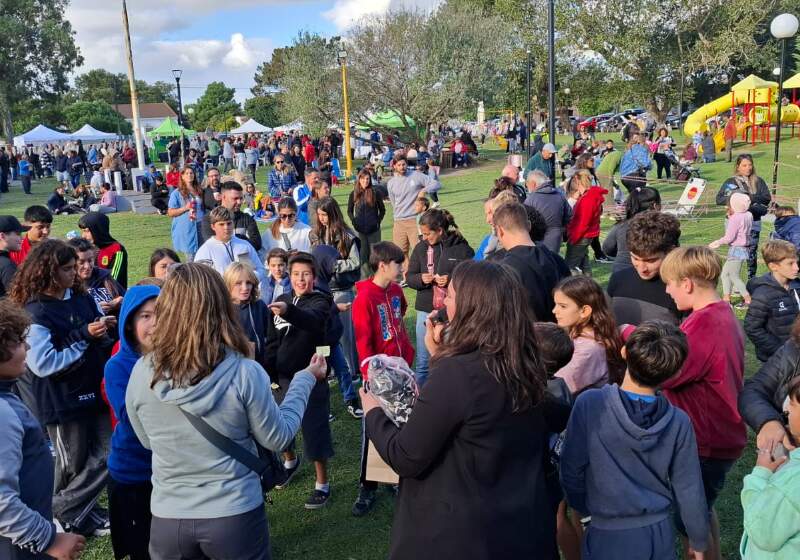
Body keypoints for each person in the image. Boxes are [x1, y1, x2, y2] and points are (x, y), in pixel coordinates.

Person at [361, 259, 570, 560]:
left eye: (450, 295)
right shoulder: (520, 361)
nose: (443, 302)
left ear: (472, 307)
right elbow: (480, 410)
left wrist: (373, 411)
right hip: (520, 527)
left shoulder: (460, 372)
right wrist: (442, 358)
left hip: (464, 533)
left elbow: (406, 456)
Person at [125, 263, 325, 559]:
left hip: (169, 518)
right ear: (221, 307)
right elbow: (278, 438)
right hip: (233, 515)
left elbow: (147, 440)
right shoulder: (245, 372)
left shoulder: (142, 372)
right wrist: (304, 380)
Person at [560, 320, 709, 560]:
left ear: (624, 352)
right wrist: (698, 540)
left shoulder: (590, 404)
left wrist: (584, 508)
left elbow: (571, 469)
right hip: (658, 535)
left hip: (606, 535)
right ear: (676, 373)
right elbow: (689, 488)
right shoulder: (679, 422)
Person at [9, 239, 115, 537]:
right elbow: (44, 363)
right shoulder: (35, 311)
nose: (75, 272)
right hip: (62, 401)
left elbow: (91, 328)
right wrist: (84, 336)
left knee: (110, 452)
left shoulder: (80, 295)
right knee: (72, 465)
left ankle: (66, 510)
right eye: (68, 268)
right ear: (48, 271)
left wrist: (102, 326)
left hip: (95, 388)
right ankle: (73, 514)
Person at [660, 246, 746, 560]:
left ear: (687, 283)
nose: (667, 291)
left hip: (705, 440)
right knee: (702, 511)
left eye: (669, 283)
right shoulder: (721, 313)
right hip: (719, 434)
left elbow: (667, 372)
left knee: (691, 525)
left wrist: (629, 336)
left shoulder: (704, 324)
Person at [0, 299, 88, 560]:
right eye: (18, 342)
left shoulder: (7, 396)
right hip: (16, 546)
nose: (27, 347)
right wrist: (48, 539)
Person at [265, 252, 335, 509]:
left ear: (314, 277)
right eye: (296, 274)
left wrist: (289, 311)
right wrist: (270, 373)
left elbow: (314, 322)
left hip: (312, 376)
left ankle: (322, 484)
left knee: (314, 430)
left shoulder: (321, 301)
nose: (300, 279)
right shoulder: (281, 300)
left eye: (306, 274)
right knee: (280, 424)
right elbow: (271, 341)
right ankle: (290, 461)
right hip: (282, 377)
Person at [350, 241, 414, 516]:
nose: (402, 268)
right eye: (399, 264)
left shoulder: (397, 291)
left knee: (400, 425)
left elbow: (399, 317)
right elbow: (363, 343)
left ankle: (394, 478)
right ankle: (367, 487)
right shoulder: (364, 299)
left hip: (401, 372)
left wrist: (405, 355)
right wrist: (372, 376)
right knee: (373, 430)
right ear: (383, 265)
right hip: (378, 377)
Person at [104, 285, 159, 560]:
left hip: (169, 472)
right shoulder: (118, 366)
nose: (155, 323)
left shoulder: (176, 359)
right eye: (145, 316)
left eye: (161, 314)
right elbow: (134, 420)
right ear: (128, 323)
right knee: (142, 548)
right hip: (133, 474)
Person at [406, 208, 474, 387]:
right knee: (423, 364)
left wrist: (450, 279)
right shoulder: (421, 248)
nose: (424, 238)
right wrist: (421, 279)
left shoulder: (461, 248)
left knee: (452, 360)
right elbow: (409, 277)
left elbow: (471, 277)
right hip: (426, 311)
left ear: (440, 230)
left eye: (427, 234)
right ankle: (421, 399)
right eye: (422, 234)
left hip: (453, 313)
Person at [740, 375, 800, 558]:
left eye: (793, 404)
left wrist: (760, 473)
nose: (786, 409)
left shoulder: (792, 482)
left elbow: (761, 528)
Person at [493, 201, 570, 322]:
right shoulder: (557, 260)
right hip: (558, 330)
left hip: (527, 332)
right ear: (529, 225)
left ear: (499, 231)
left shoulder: (504, 271)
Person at [311, 197, 361, 378]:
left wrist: (335, 266)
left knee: (345, 334)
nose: (322, 218)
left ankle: (350, 371)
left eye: (324, 215)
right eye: (319, 215)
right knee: (324, 334)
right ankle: (326, 369)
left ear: (333, 214)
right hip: (321, 290)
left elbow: (355, 262)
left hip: (342, 289)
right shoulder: (315, 234)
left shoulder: (347, 235)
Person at [553, 275, 626, 394]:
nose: (554, 311)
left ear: (584, 311)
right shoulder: (585, 332)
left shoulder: (588, 351)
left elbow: (556, 387)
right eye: (555, 304)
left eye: (563, 306)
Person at [607, 211, 682, 326]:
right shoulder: (619, 279)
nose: (642, 269)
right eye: (635, 258)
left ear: (671, 251)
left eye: (650, 261)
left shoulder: (682, 289)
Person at [716, 154, 771, 280]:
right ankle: (734, 282)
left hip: (753, 221)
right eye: (744, 165)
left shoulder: (758, 181)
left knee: (752, 252)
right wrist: (736, 198)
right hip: (735, 223)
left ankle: (752, 280)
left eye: (750, 165)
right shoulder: (730, 182)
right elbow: (719, 199)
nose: (748, 168)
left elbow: (766, 198)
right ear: (738, 167)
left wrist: (749, 197)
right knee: (736, 253)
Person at [744, 240, 800, 363]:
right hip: (777, 361)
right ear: (774, 266)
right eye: (790, 263)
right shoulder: (763, 294)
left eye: (797, 262)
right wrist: (781, 351)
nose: (797, 267)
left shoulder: (797, 286)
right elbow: (752, 328)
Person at [386, 154, 441, 262]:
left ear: (406, 164)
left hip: (414, 220)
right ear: (394, 166)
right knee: (400, 253)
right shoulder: (391, 183)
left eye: (404, 164)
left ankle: (422, 271)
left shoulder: (416, 175)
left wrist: (423, 190)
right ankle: (407, 273)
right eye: (399, 165)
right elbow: (393, 203)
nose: (402, 167)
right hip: (399, 222)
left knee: (420, 252)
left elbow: (437, 184)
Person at [195, 207, 266, 281]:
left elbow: (261, 269)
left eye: (229, 223)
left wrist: (249, 279)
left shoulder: (244, 245)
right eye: (221, 224)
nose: (226, 227)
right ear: (213, 226)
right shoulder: (205, 251)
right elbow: (200, 279)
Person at [224, 262, 271, 371]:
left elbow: (269, 334)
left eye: (248, 282)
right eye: (238, 283)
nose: (245, 288)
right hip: (234, 368)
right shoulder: (222, 310)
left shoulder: (259, 306)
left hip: (260, 365)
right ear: (228, 284)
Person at [603, 186, 661, 273]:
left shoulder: (621, 225)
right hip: (649, 272)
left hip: (621, 271)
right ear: (655, 206)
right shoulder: (662, 226)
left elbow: (607, 248)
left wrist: (621, 254)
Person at [709, 192, 752, 306]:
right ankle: (726, 299)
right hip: (743, 248)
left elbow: (729, 237)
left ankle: (747, 299)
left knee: (733, 275)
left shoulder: (735, 218)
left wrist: (717, 242)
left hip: (736, 249)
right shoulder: (748, 215)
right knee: (725, 274)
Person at [565, 170, 608, 275]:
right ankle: (588, 281)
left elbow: (583, 223)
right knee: (584, 262)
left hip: (581, 236)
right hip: (586, 235)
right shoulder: (590, 196)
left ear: (577, 181)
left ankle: (573, 284)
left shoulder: (588, 199)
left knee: (570, 266)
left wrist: (573, 237)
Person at [68, 238, 125, 316]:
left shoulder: (104, 276)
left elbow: (126, 298)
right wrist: (95, 309)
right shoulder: (67, 287)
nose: (87, 266)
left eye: (90, 260)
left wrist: (122, 301)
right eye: (81, 262)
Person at [200, 180, 262, 251]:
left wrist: (237, 239)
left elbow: (257, 244)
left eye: (241, 198)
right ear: (223, 197)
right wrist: (241, 240)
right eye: (235, 198)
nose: (239, 202)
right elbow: (213, 245)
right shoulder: (209, 219)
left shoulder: (247, 218)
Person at [348, 169, 386, 277]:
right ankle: (365, 277)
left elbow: (382, 210)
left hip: (374, 230)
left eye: (368, 179)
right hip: (360, 231)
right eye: (363, 179)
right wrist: (354, 221)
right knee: (363, 254)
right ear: (359, 179)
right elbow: (349, 211)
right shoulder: (353, 194)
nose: (366, 181)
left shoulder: (375, 193)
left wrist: (377, 222)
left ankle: (375, 276)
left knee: (374, 254)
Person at [523, 169, 571, 254]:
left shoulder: (530, 200)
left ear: (533, 184)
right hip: (556, 237)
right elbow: (569, 215)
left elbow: (524, 220)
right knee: (553, 259)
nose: (527, 186)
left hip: (537, 239)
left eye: (527, 183)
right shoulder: (559, 195)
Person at [78, 212, 128, 289]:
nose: (83, 236)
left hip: (112, 293)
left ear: (98, 230)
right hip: (86, 291)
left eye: (86, 231)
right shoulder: (88, 249)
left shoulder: (117, 250)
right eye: (82, 231)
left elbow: (113, 280)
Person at [167, 166, 204, 262]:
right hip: (188, 228)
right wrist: (185, 208)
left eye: (191, 173)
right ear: (182, 176)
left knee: (203, 254)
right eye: (186, 173)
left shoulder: (199, 190)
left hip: (201, 225)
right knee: (191, 257)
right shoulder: (176, 193)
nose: (189, 175)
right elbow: (170, 212)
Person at [0, 216, 27, 298]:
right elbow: (18, 299)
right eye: (18, 234)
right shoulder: (7, 265)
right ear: (2, 236)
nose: (21, 238)